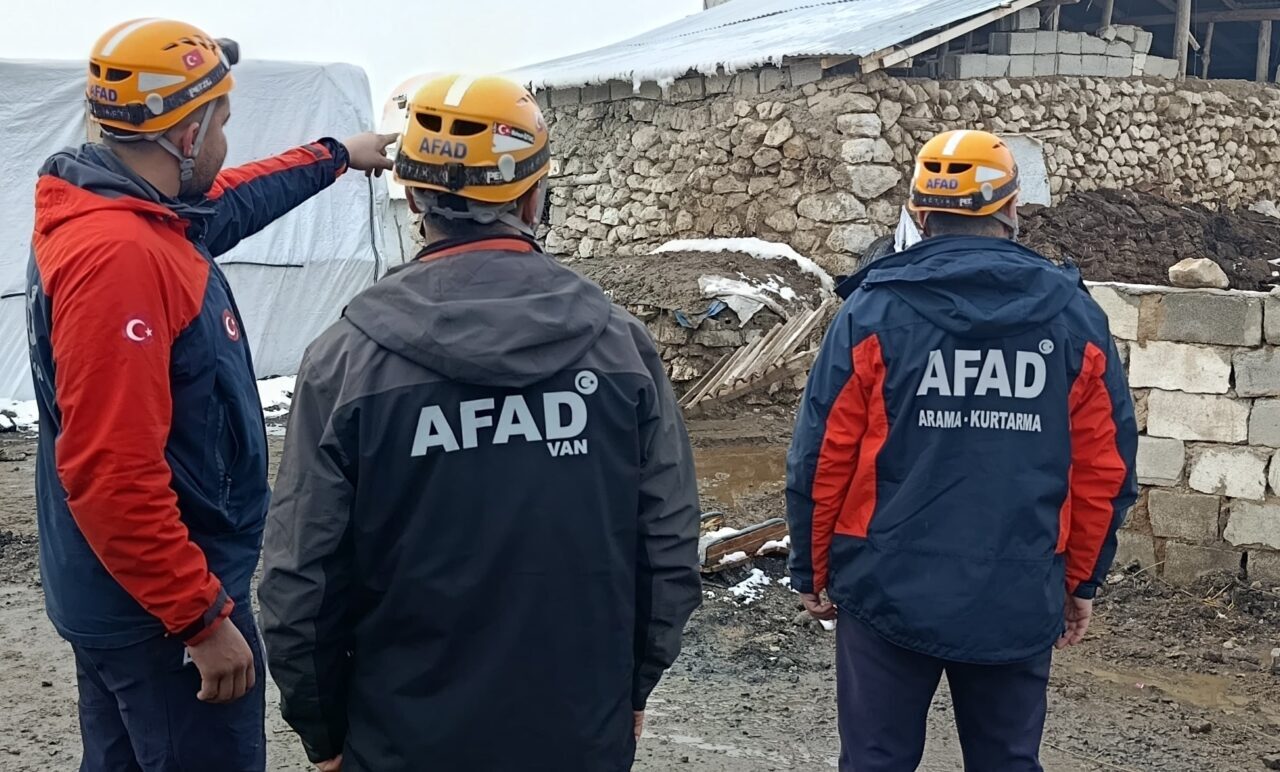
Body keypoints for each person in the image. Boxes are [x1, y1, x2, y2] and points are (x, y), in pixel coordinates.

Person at [258, 74, 702, 772]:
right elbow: (669, 548)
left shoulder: (345, 360)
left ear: (412, 193)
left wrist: (324, 730)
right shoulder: (619, 346)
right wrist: (632, 684)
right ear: (533, 194)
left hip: (402, 742)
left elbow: (300, 578)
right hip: (577, 733)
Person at [26, 19, 395, 772]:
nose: (226, 141)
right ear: (186, 134)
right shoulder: (121, 259)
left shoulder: (129, 212)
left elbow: (229, 201)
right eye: (223, 122)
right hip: (157, 616)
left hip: (122, 592)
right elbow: (109, 471)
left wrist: (335, 157)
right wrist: (199, 619)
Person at [787, 129, 1138, 771]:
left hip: (885, 585)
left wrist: (813, 570)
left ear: (920, 213)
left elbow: (822, 455)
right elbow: (1102, 468)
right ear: (1010, 209)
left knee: (875, 761)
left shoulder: (873, 311)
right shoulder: (1073, 318)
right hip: (1019, 584)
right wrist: (1081, 578)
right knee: (1006, 760)